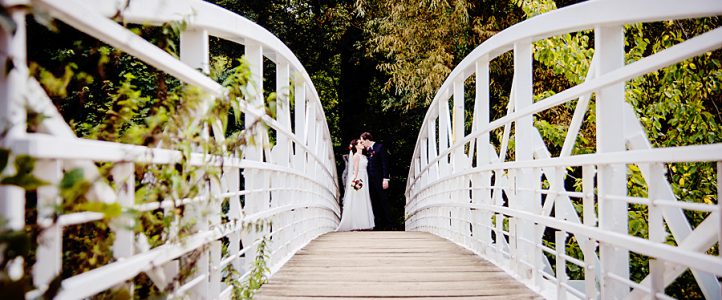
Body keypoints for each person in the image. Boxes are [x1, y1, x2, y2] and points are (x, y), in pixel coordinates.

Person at [337, 139, 375, 231]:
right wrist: (355, 180)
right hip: (359, 178)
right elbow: (356, 169)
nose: (362, 144)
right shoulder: (356, 156)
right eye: (360, 143)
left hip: (365, 178)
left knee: (364, 199)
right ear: (356, 146)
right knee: (358, 200)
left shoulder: (364, 156)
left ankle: (364, 223)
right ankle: (356, 223)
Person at [359, 132, 391, 230]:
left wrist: (386, 179)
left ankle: (390, 224)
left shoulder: (379, 147)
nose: (362, 143)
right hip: (370, 181)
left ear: (367, 139)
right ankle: (378, 224)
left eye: (362, 141)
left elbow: (385, 164)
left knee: (384, 201)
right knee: (374, 202)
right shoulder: (368, 151)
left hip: (380, 180)